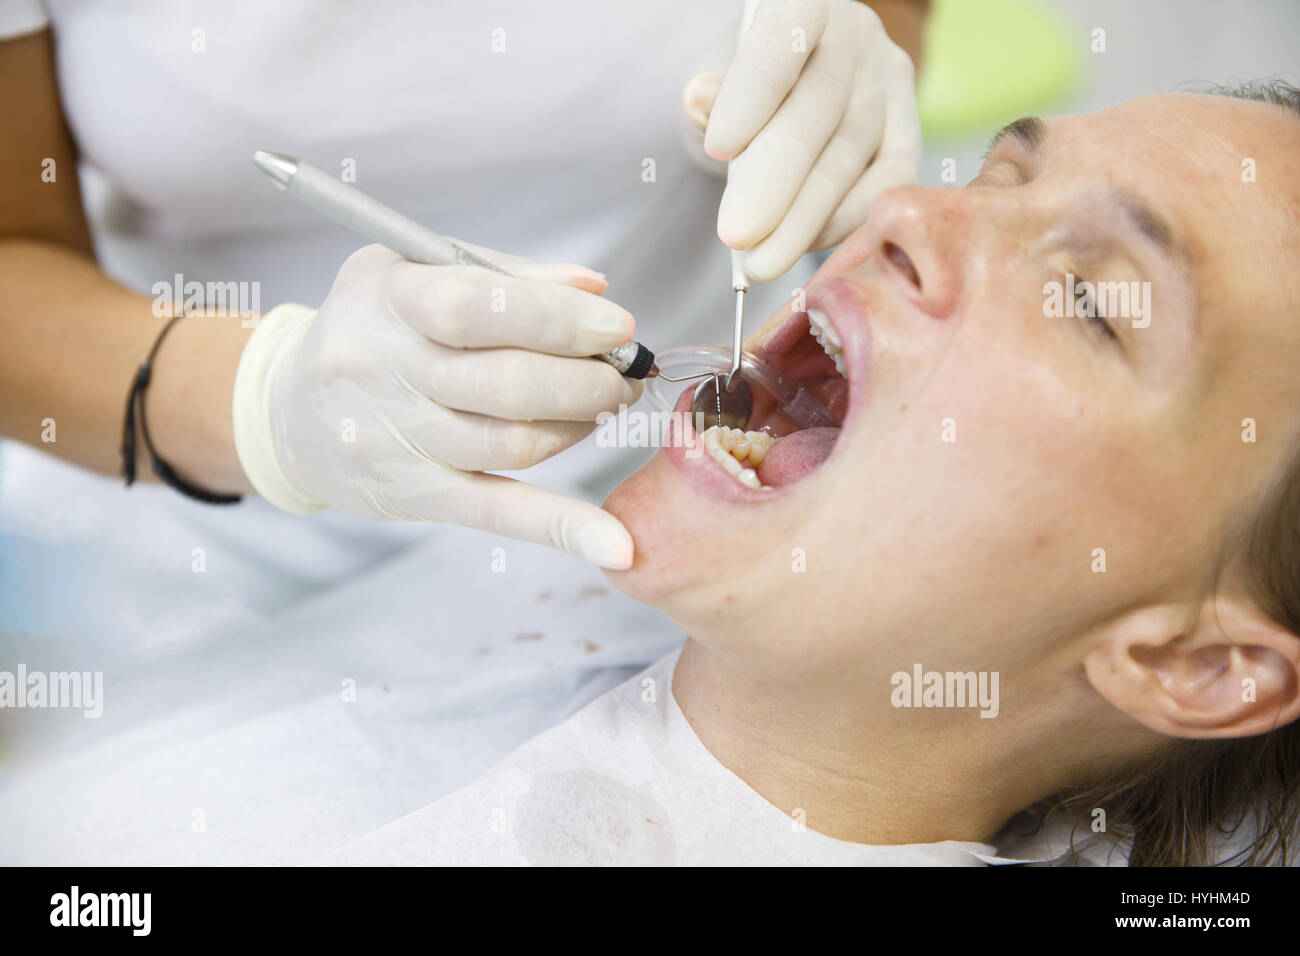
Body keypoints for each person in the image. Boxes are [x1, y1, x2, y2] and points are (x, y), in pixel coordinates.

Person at [319, 81, 1300, 865]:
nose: (907, 208)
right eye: (995, 178)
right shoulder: (465, 573)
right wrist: (210, 401)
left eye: (1088, 300)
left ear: (1196, 665)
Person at [0, 0, 924, 583]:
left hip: (682, 526)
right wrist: (265, 405)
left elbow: (893, 20)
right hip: (207, 543)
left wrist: (833, 60)